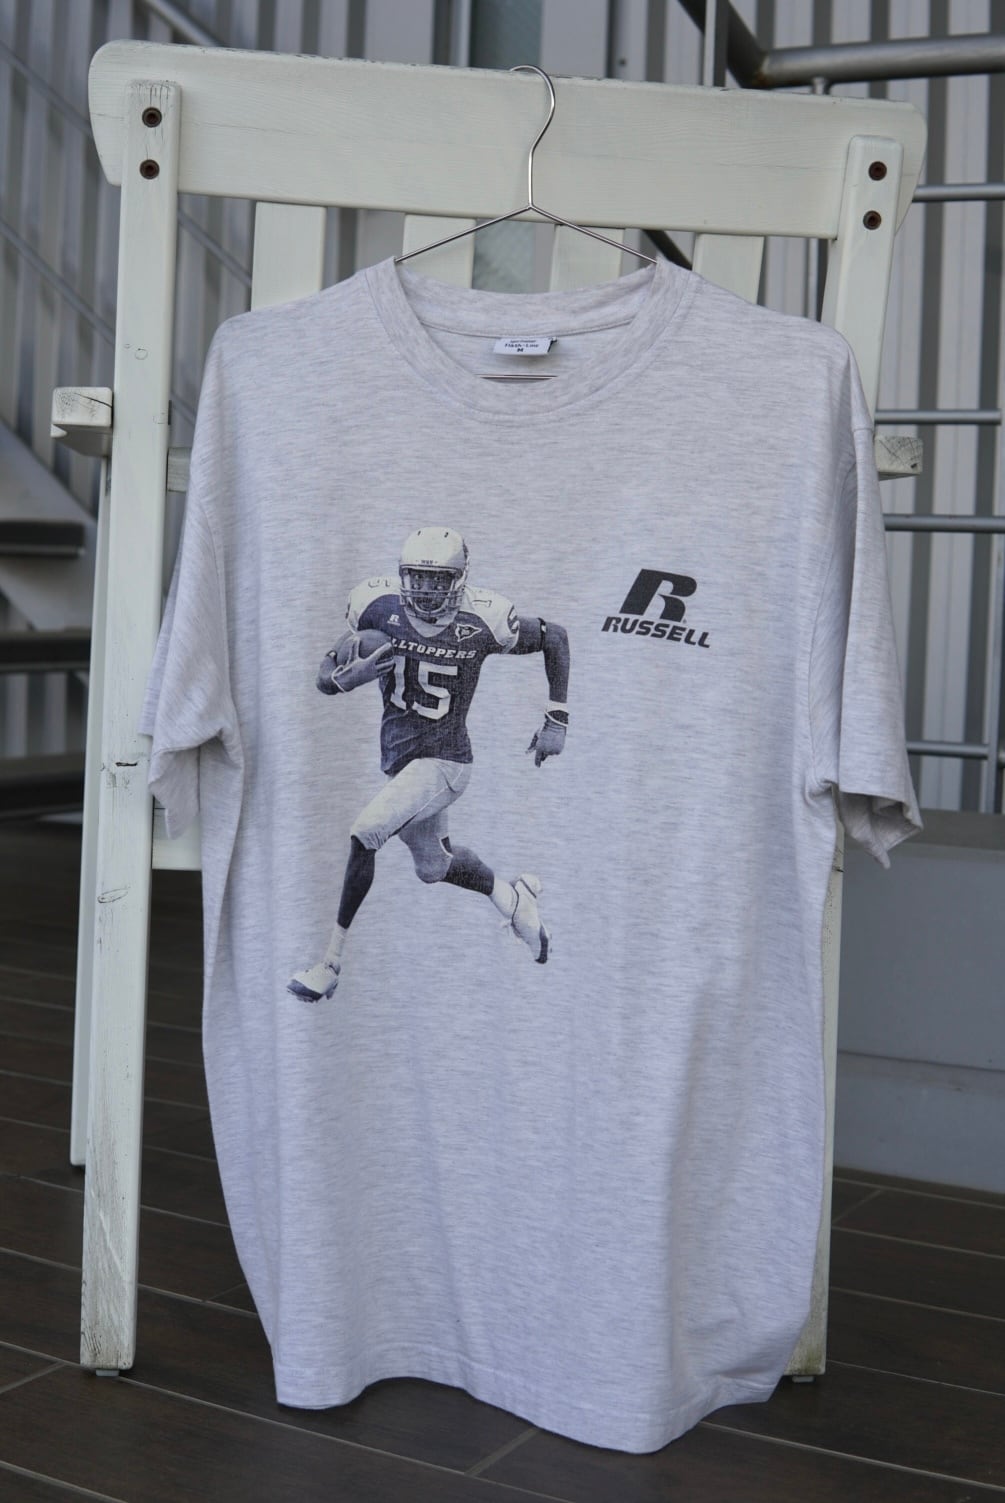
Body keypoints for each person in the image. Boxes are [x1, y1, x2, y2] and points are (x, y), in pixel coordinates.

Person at [287, 525, 571, 1001]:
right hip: (401, 761)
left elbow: (555, 637)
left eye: (437, 579)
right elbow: (325, 675)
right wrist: (344, 679)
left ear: (458, 580)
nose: (425, 588)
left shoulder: (484, 619)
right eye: (417, 577)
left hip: (446, 763)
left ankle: (330, 963)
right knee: (434, 866)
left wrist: (556, 720)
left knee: (365, 833)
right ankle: (513, 898)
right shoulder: (377, 608)